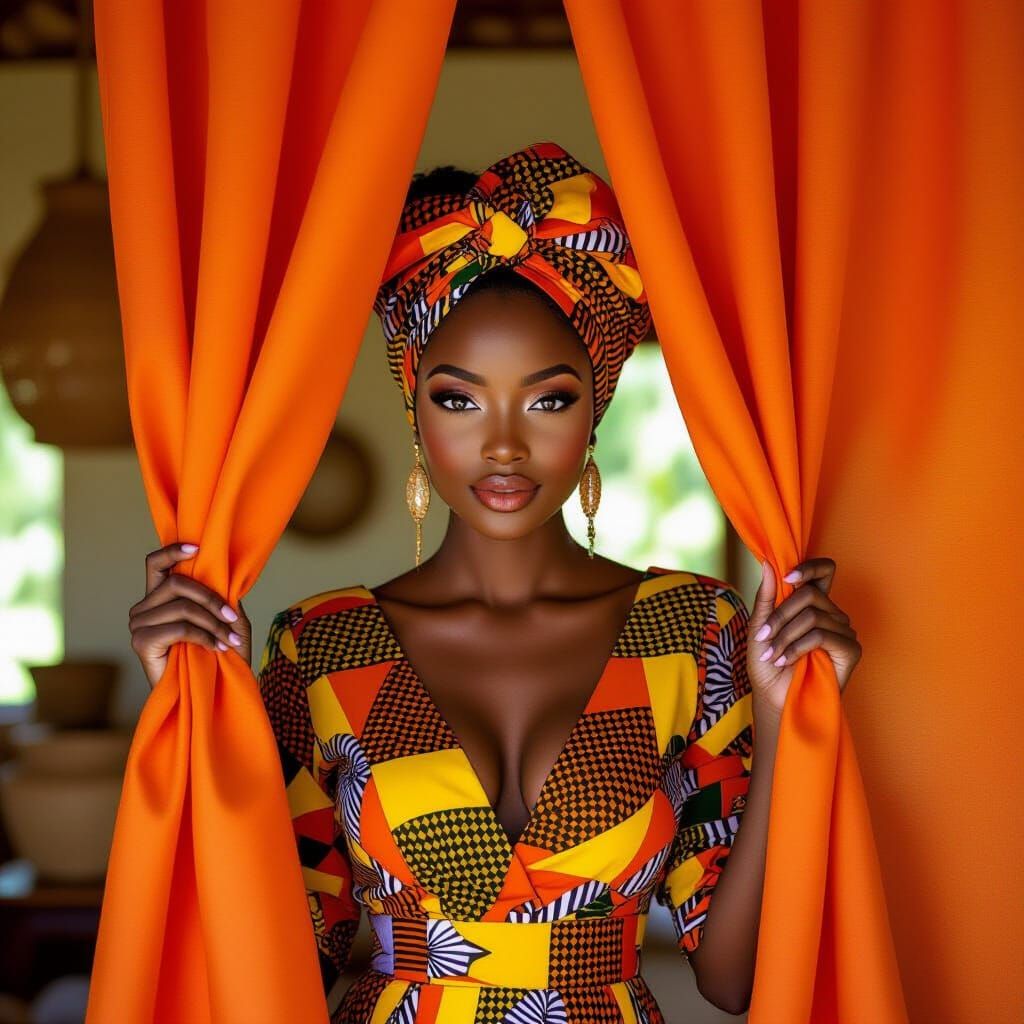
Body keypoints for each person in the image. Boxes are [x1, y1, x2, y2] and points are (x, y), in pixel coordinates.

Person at [128, 141, 862, 1022]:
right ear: (413, 406)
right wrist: (189, 711)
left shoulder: (692, 631)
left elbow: (735, 980)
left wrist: (784, 724)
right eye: (459, 399)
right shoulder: (316, 649)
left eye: (547, 400)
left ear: (598, 407)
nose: (504, 445)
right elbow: (278, 972)